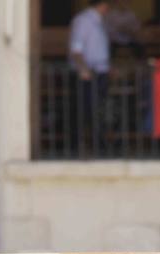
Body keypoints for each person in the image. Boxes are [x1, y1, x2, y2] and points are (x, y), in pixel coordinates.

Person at [69, 0, 111, 156]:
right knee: (84, 110)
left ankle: (100, 145)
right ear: (102, 4)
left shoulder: (100, 21)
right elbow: (76, 49)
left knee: (98, 109)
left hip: (100, 71)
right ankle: (77, 147)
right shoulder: (83, 20)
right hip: (87, 73)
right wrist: (84, 69)